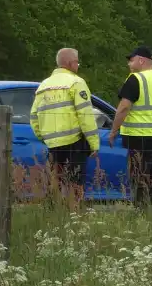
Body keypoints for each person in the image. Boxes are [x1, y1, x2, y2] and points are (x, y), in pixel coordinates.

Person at [108, 46, 152, 209]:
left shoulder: (135, 79)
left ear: (141, 60)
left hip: (139, 137)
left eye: (131, 60)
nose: (129, 64)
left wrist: (114, 130)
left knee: (139, 175)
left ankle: (142, 209)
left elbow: (124, 107)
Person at [30, 48, 100, 204]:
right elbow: (85, 115)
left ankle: (55, 211)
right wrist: (94, 143)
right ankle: (75, 211)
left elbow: (34, 116)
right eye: (77, 62)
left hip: (53, 144)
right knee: (76, 182)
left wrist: (43, 137)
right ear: (70, 63)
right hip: (74, 141)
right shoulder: (76, 82)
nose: (78, 65)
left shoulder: (43, 85)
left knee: (56, 180)